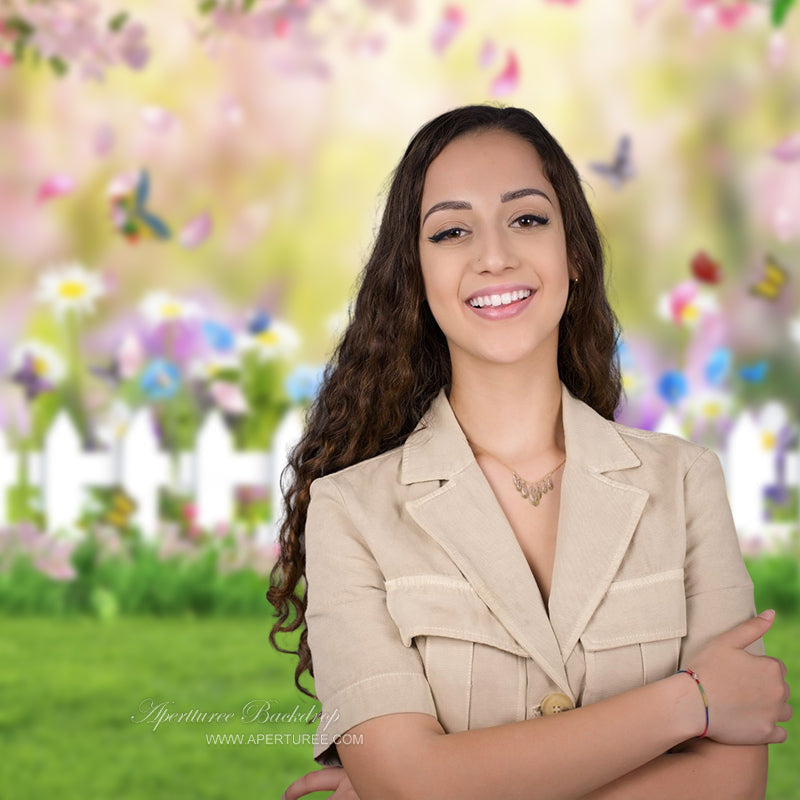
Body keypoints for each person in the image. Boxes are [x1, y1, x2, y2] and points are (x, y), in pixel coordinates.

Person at [268, 104, 792, 800]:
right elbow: (410, 785)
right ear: (416, 277)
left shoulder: (686, 483)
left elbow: (731, 786)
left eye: (527, 219)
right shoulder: (349, 512)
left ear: (572, 251)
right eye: (452, 231)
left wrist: (439, 781)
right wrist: (690, 702)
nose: (494, 256)